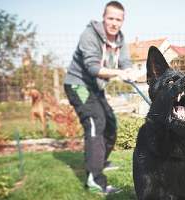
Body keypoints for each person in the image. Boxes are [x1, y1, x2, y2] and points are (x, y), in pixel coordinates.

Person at [64, 1, 133, 194]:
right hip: (79, 85)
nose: (114, 23)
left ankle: (99, 161)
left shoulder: (119, 39)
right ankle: (95, 180)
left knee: (110, 124)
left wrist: (129, 71)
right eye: (110, 18)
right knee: (96, 122)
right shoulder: (90, 35)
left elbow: (125, 61)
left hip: (96, 89)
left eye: (118, 19)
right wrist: (119, 74)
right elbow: (93, 68)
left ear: (123, 21)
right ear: (103, 17)